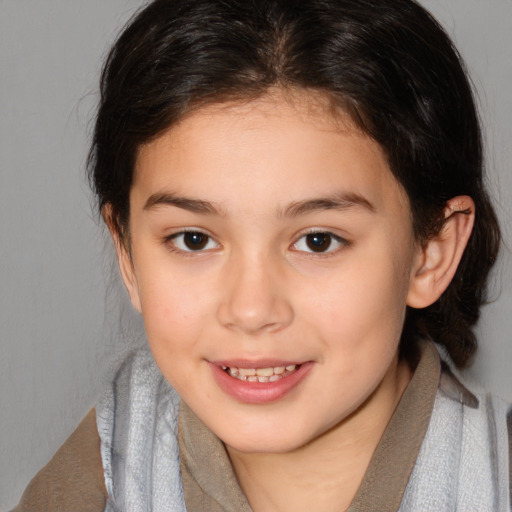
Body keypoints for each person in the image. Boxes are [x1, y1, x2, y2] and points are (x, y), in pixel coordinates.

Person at [13, 0, 510, 510]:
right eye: (193, 239)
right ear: (127, 253)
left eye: (318, 240)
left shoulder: (495, 480)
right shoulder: (106, 469)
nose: (251, 310)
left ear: (430, 252)